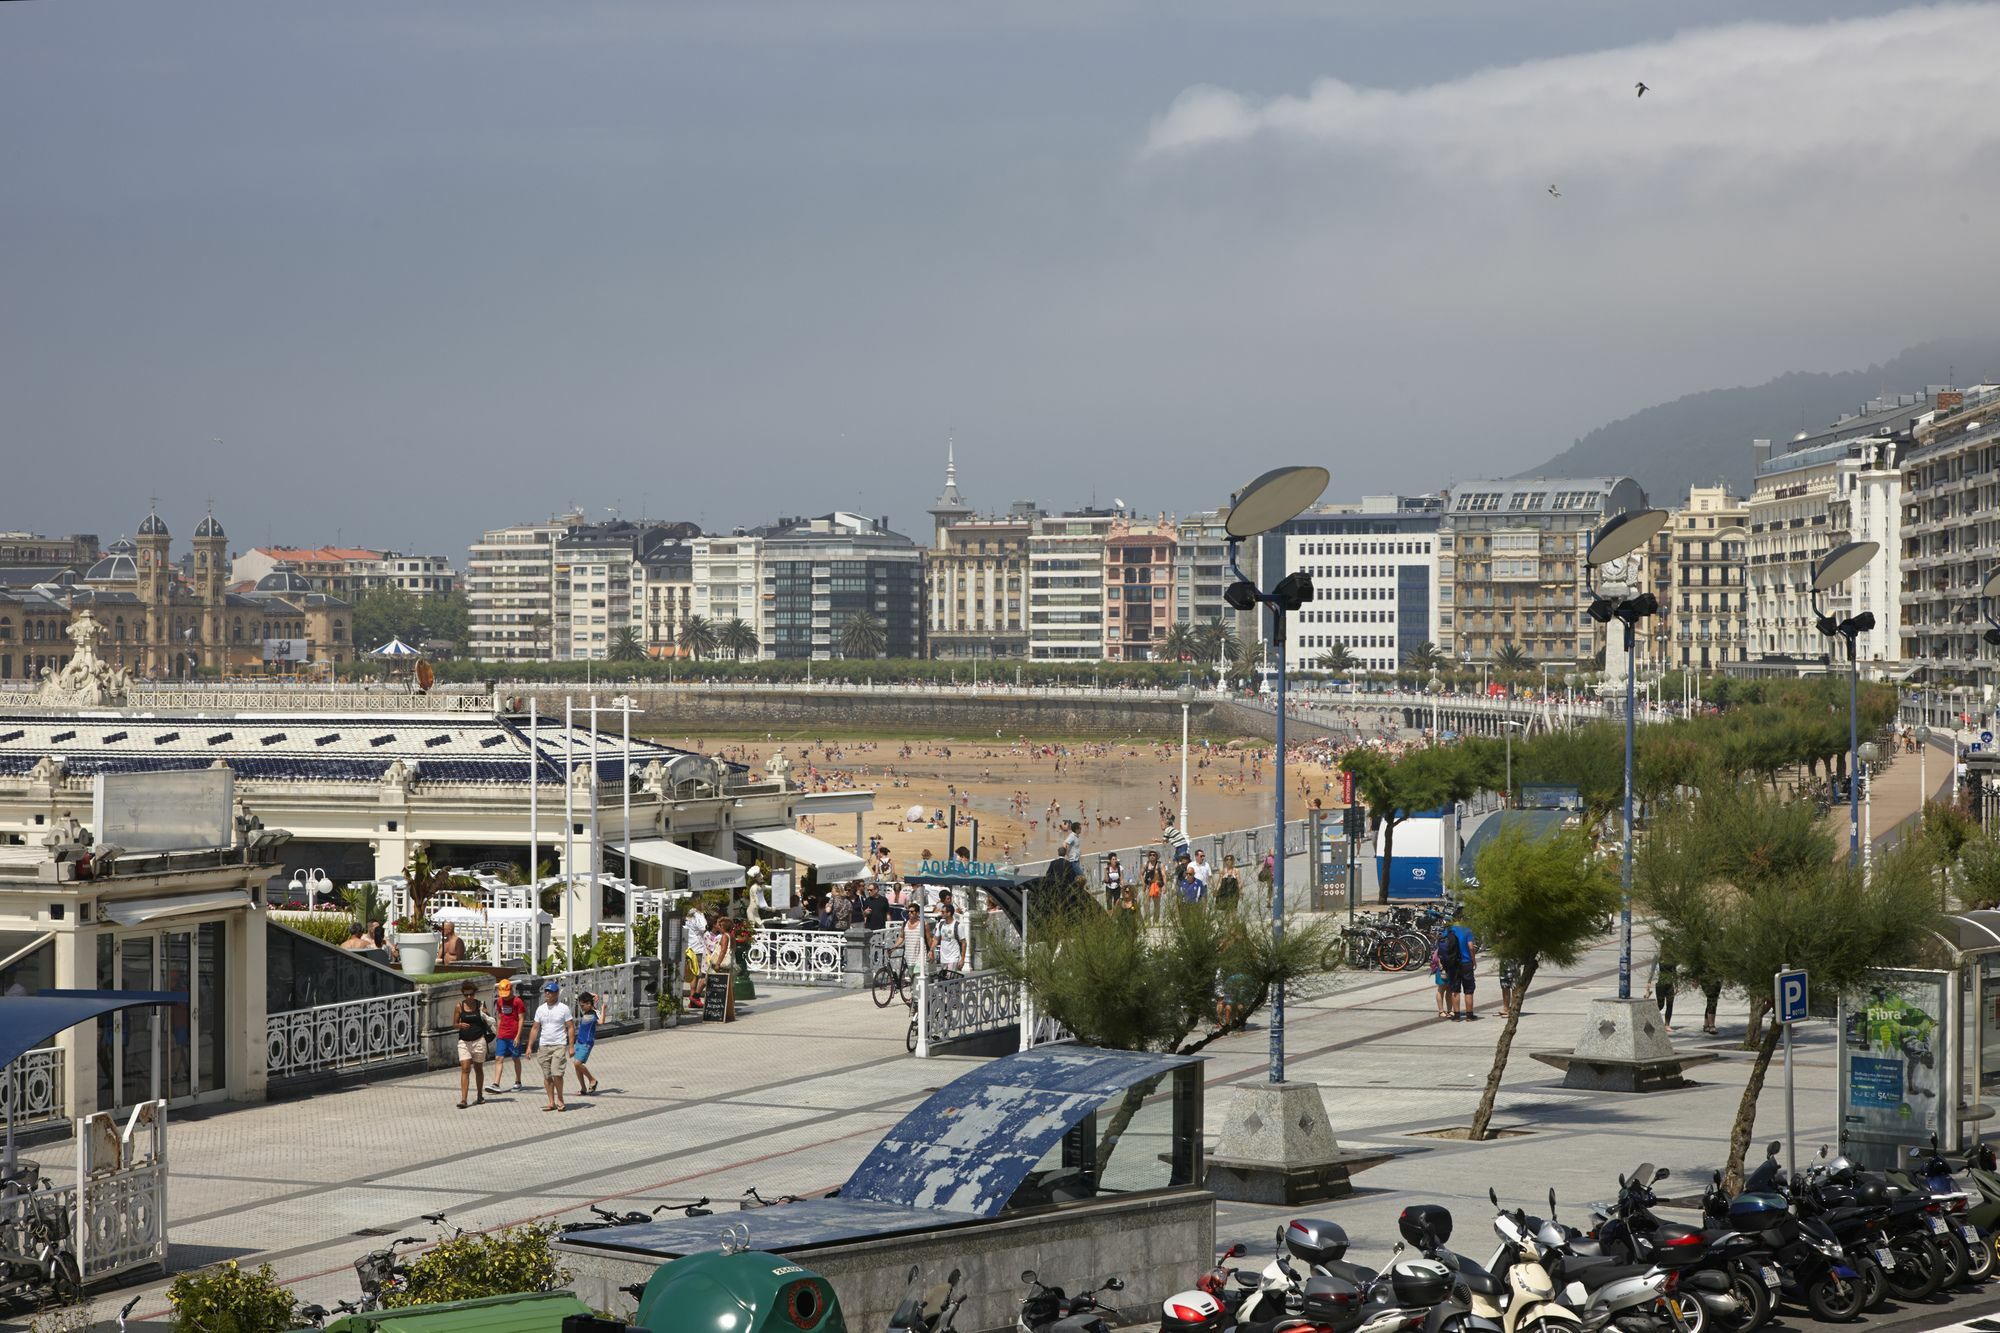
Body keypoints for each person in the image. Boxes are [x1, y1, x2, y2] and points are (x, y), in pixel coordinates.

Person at [526, 980, 575, 1112]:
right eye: (546, 991)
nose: (547, 994)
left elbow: (570, 1027)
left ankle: (560, 1099)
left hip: (559, 1045)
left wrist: (571, 1046)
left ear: (557, 993)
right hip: (544, 1046)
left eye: (551, 992)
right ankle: (551, 1102)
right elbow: (535, 1028)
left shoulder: (563, 1008)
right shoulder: (540, 1009)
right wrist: (530, 1046)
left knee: (557, 1073)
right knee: (547, 1075)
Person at [452, 980, 491, 1110]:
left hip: (479, 1040)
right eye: (466, 995)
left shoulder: (480, 1004)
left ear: (474, 993)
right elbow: (454, 1023)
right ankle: (464, 1099)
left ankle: (480, 1095)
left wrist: (486, 1012)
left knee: (478, 1068)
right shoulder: (459, 1006)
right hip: (464, 1041)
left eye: (471, 994)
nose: (469, 997)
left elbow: (490, 1021)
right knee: (465, 1068)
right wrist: (459, 1025)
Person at [486, 977, 528, 1093]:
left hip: (514, 1034)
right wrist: (498, 1032)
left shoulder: (517, 1002)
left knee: (515, 1058)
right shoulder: (499, 1001)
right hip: (502, 1034)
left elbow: (521, 1019)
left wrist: (518, 1036)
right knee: (498, 1058)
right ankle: (496, 1083)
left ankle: (518, 1081)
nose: (505, 996)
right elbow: (499, 1017)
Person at [1438, 920, 1478, 1020]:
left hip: (1453, 963)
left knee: (1455, 990)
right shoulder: (1467, 931)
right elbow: (1471, 947)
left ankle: (1456, 1015)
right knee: (1468, 989)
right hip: (1466, 962)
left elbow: (1442, 946)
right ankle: (1469, 1015)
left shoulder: (1448, 931)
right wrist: (1473, 960)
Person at [571, 991, 602, 1097]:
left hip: (587, 1043)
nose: (581, 1008)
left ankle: (592, 1080)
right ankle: (583, 1089)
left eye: (583, 1005)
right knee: (577, 1066)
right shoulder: (586, 1011)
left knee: (577, 1063)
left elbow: (601, 1021)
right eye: (580, 1005)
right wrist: (594, 995)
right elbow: (585, 993)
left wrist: (604, 1009)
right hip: (579, 1041)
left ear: (589, 1004)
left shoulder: (595, 1012)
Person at [931, 900, 966, 975]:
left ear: (949, 913)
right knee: (944, 980)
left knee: (950, 979)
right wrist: (931, 950)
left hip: (953, 957)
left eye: (943, 912)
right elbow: (936, 939)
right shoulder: (940, 924)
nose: (941, 913)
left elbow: (963, 943)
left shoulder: (957, 926)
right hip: (943, 958)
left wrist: (962, 959)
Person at [1652, 953, 1679, 1031]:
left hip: (1670, 985)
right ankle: (1650, 1018)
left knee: (1670, 1004)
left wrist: (1676, 985)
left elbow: (1674, 972)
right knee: (1660, 1005)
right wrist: (1649, 982)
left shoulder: (1672, 958)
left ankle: (1667, 1025)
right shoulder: (1658, 957)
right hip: (1660, 984)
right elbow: (1652, 970)